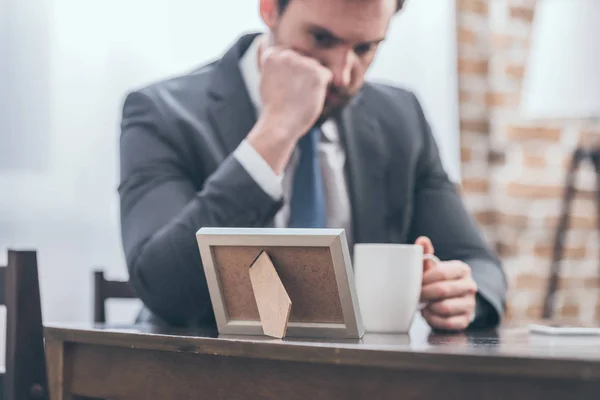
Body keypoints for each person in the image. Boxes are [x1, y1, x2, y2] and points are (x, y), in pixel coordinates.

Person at [118, 0, 507, 331]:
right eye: (321, 39)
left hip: (354, 378)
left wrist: (458, 292)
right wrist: (276, 131)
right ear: (269, 9)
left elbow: (480, 266)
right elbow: (162, 285)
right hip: (196, 373)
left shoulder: (400, 117)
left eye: (365, 49)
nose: (341, 74)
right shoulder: (162, 113)